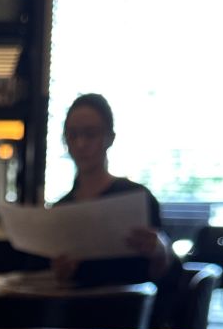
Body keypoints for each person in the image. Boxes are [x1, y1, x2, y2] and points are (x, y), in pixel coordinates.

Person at [51, 93, 176, 288]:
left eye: (90, 134)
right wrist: (60, 272)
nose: (80, 144)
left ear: (109, 138)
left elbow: (169, 278)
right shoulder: (61, 208)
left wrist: (160, 249)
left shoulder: (137, 198)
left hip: (130, 314)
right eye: (72, 135)